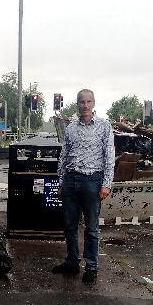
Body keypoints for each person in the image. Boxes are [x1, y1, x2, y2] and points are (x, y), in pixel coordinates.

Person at [54, 89, 115, 284]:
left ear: (94, 103)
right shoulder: (71, 127)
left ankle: (91, 266)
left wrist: (106, 184)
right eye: (82, 102)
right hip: (71, 182)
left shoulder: (104, 127)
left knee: (91, 227)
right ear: (77, 104)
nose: (85, 105)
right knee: (69, 225)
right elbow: (64, 155)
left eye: (89, 102)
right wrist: (61, 181)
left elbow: (109, 157)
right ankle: (72, 261)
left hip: (92, 181)